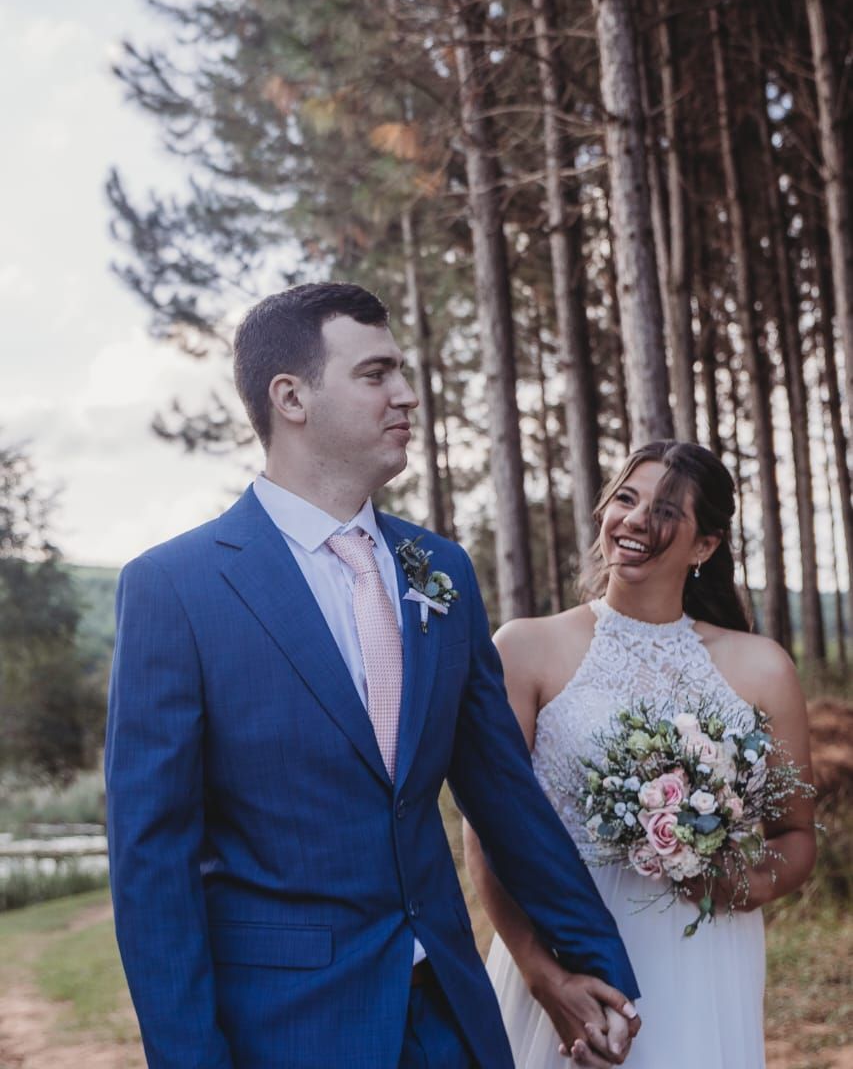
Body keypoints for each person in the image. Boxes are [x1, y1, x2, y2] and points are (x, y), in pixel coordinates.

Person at [105, 282, 641, 1069]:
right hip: (285, 1026)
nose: (406, 395)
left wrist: (600, 964)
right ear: (290, 396)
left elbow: (502, 794)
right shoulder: (175, 587)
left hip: (448, 1014)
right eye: (375, 374)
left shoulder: (442, 571)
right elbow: (153, 863)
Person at [466, 440, 815, 1068]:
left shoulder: (762, 668)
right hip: (568, 945)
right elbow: (488, 832)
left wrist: (733, 880)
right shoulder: (525, 648)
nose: (633, 519)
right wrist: (544, 977)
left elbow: (794, 834)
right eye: (624, 499)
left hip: (702, 950)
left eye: (663, 510)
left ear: (705, 545)